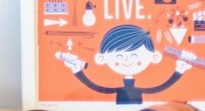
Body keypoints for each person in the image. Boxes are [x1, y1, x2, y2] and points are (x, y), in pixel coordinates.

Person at [59, 23, 193, 105]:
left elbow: (160, 88)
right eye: (119, 56)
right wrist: (77, 70)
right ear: (102, 58)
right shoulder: (115, 88)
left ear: (154, 57)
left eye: (135, 55)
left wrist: (179, 70)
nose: (127, 61)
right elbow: (96, 87)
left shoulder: (141, 87)